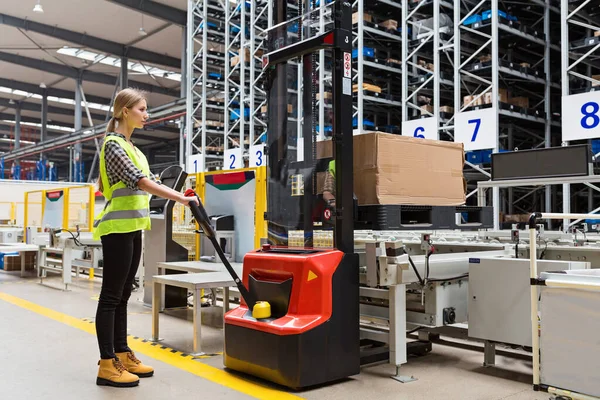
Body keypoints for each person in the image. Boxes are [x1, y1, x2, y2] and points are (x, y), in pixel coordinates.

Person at [93, 88, 197, 388]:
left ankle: (122, 353)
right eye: (141, 108)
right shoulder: (113, 145)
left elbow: (147, 183)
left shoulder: (134, 148)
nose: (146, 113)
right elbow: (140, 181)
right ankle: (106, 363)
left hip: (134, 227)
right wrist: (181, 198)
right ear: (125, 111)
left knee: (125, 293)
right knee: (111, 296)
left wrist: (179, 194)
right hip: (116, 230)